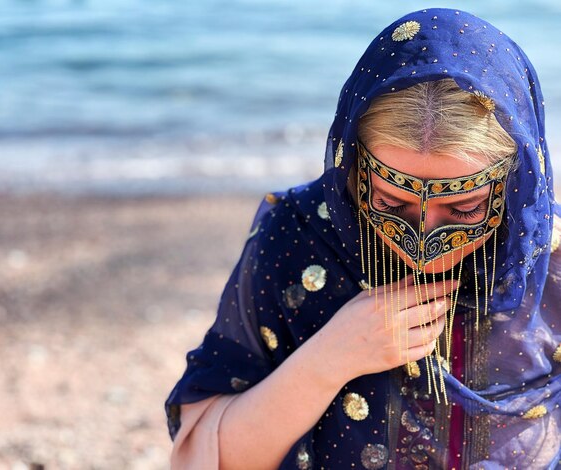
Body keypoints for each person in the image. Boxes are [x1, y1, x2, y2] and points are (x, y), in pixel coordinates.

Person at [164, 8, 561, 469]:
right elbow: (208, 459)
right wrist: (331, 357)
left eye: (464, 209)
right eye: (392, 206)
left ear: (517, 181)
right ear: (350, 168)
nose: (424, 247)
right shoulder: (296, 237)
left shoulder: (551, 260)